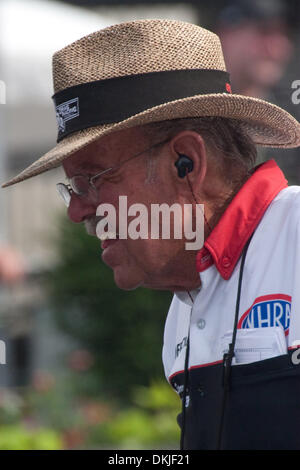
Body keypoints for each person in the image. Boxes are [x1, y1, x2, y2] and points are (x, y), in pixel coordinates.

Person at [2, 19, 300, 450]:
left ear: (187, 162)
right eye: (72, 186)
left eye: (92, 179)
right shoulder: (184, 306)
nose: (76, 209)